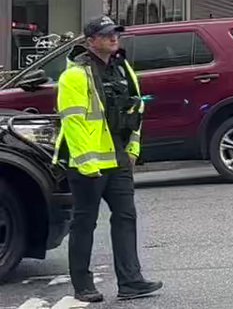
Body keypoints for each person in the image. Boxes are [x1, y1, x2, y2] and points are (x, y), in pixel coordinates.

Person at [53, 16, 163, 303]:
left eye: (115, 33)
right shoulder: (75, 75)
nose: (114, 38)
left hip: (118, 159)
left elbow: (136, 110)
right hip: (89, 165)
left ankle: (131, 282)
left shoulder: (123, 68)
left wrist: (133, 150)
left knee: (126, 217)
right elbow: (73, 123)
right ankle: (82, 285)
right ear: (90, 41)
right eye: (106, 34)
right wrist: (87, 164)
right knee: (85, 222)